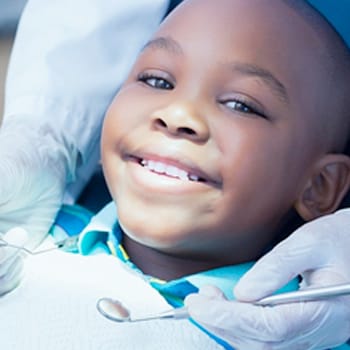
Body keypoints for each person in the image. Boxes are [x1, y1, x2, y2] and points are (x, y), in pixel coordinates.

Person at [0, 0, 350, 348]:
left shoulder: (306, 327)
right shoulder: (20, 244)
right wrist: (43, 135)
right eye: (157, 80)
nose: (178, 113)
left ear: (319, 187)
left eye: (241, 104)